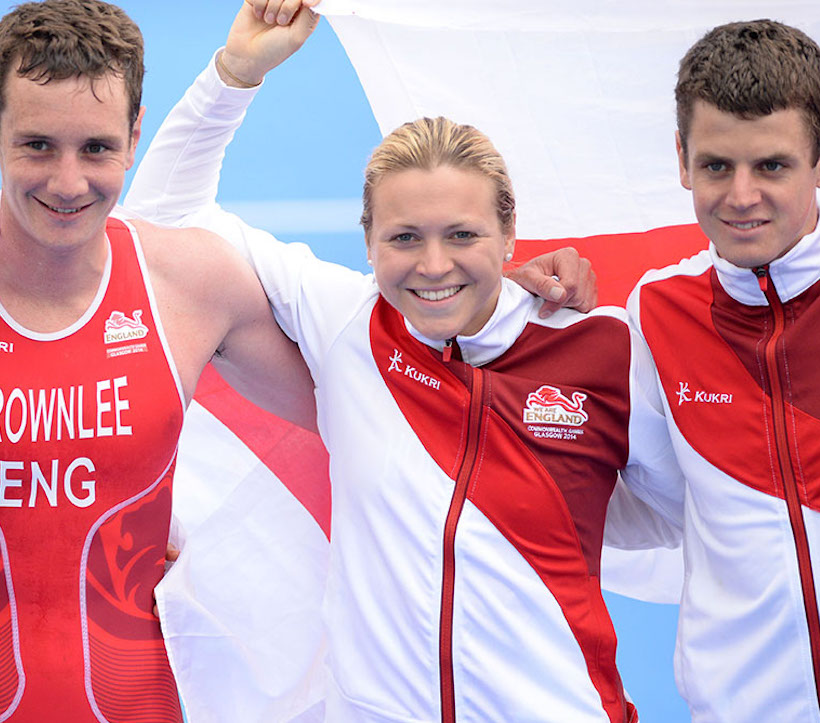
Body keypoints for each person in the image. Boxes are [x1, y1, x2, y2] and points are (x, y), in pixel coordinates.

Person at [0, 2, 597, 720]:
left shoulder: (189, 285)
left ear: (131, 141)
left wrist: (518, 299)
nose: (68, 181)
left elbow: (385, 367)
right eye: (35, 146)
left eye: (95, 149)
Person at [126, 5, 684, 720]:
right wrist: (235, 74)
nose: (433, 265)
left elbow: (683, 515)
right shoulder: (346, 325)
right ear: (366, 240)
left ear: (511, 230)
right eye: (404, 237)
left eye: (462, 234)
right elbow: (163, 232)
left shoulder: (601, 347)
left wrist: (561, 493)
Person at [625, 20, 820, 721]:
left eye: (771, 165)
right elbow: (650, 505)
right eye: (716, 166)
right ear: (682, 159)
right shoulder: (656, 312)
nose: (741, 196)